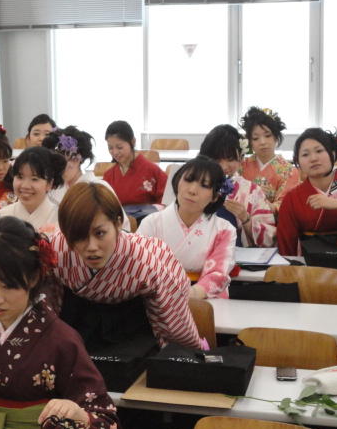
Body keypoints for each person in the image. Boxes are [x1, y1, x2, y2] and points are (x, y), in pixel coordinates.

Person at [0, 216, 120, 429]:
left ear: (34, 278)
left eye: (8, 286)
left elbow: (103, 417)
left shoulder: (62, 340)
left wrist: (77, 413)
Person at [51, 182, 202, 348]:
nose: (91, 246)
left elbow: (172, 324)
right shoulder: (57, 251)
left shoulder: (146, 259)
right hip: (73, 335)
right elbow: (49, 310)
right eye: (79, 235)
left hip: (134, 337)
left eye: (100, 233)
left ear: (118, 224)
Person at [137, 157, 236, 299]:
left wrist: (189, 294)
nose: (192, 190)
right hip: (157, 296)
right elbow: (139, 267)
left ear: (215, 196)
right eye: (188, 180)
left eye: (204, 185)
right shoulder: (151, 223)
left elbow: (218, 274)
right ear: (177, 182)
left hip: (205, 298)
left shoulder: (224, 230)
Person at [200, 125, 276, 248]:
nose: (223, 166)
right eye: (217, 160)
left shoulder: (252, 191)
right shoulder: (195, 185)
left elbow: (270, 238)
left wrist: (245, 219)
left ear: (240, 158)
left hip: (239, 255)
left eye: (230, 159)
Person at [277, 128, 337, 256]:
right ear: (298, 162)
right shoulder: (292, 198)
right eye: (305, 154)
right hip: (308, 263)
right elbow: (286, 242)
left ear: (333, 153)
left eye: (319, 151)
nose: (313, 158)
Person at [0, 147, 66, 237]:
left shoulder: (62, 220)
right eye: (20, 177)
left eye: (34, 179)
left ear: (49, 184)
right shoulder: (0, 217)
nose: (25, 186)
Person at [240, 106, 300, 213]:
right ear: (250, 142)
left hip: (272, 221)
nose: (262, 142)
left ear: (276, 137)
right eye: (255, 138)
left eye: (267, 135)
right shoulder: (242, 166)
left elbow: (285, 205)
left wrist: (261, 200)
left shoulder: (289, 171)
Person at [103, 120, 167, 213]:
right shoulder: (108, 176)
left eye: (119, 147)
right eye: (110, 148)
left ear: (132, 142)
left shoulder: (153, 170)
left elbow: (167, 203)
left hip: (149, 220)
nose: (115, 152)